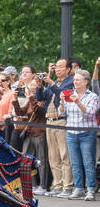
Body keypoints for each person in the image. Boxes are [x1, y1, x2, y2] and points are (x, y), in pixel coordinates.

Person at [39, 58, 74, 196]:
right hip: (49, 120)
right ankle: (57, 185)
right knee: (53, 156)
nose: (57, 69)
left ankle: (67, 186)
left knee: (64, 154)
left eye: (60, 67)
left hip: (61, 121)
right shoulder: (54, 82)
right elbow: (42, 97)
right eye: (56, 67)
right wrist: (39, 85)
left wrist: (52, 83)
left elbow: (62, 96)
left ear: (68, 69)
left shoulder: (70, 82)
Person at [63, 70, 99, 200]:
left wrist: (78, 102)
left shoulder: (93, 96)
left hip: (87, 133)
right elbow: (63, 113)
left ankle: (90, 189)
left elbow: (89, 113)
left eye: (78, 79)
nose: (75, 82)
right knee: (75, 163)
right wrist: (62, 102)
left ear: (86, 81)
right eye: (74, 80)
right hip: (71, 133)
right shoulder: (70, 94)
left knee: (88, 163)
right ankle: (78, 188)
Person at [14, 72, 51, 194]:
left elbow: (39, 111)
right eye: (31, 85)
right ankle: (32, 184)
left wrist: (31, 97)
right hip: (28, 133)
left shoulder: (42, 97)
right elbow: (21, 112)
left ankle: (43, 185)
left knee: (42, 159)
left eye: (35, 85)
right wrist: (15, 101)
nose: (32, 87)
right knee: (26, 159)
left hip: (40, 133)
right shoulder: (29, 99)